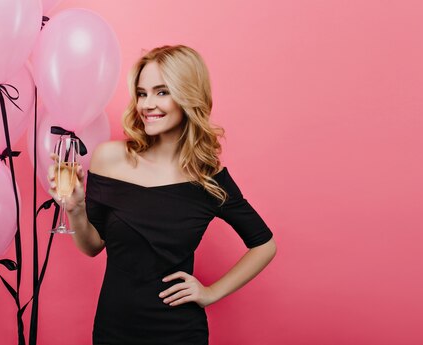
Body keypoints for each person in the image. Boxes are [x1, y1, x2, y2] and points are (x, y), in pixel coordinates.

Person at [48, 45, 276, 345]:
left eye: (161, 92)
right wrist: (75, 209)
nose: (147, 104)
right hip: (113, 330)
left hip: (180, 334)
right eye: (141, 93)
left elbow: (264, 244)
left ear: (188, 96)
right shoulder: (110, 158)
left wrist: (210, 293)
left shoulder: (208, 179)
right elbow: (92, 246)